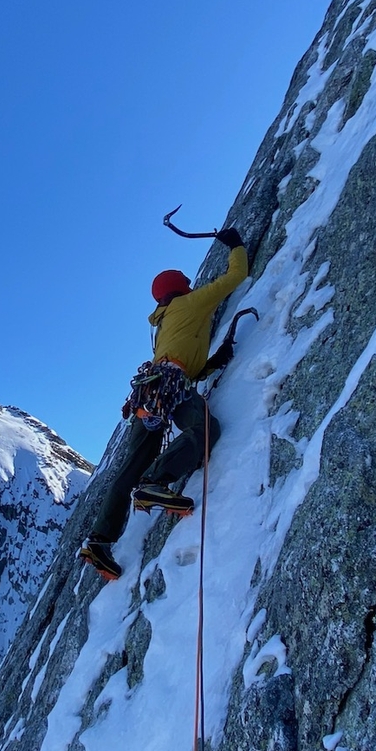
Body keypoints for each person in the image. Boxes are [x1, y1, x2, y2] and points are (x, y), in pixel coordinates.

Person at [80, 227, 248, 580]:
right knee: (206, 430)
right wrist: (235, 245)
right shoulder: (190, 303)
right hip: (172, 387)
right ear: (181, 288)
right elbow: (236, 276)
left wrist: (217, 359)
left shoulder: (165, 323)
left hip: (150, 393)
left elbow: (193, 365)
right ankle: (156, 481)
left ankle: (99, 540)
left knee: (130, 465)